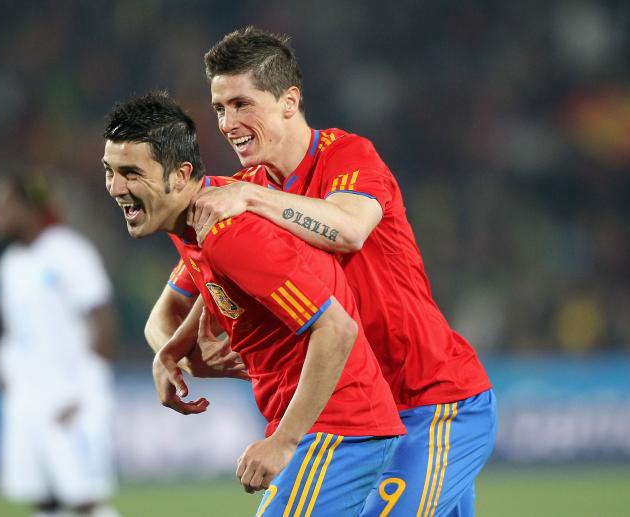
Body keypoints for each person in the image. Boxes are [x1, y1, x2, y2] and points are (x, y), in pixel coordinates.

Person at [160, 27, 497, 517]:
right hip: (358, 419)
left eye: (241, 104)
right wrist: (168, 350)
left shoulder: (346, 156)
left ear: (289, 101)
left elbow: (350, 229)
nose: (228, 123)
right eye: (219, 109)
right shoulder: (239, 194)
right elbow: (179, 300)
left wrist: (252, 197)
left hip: (433, 401)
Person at [103, 92, 405, 516]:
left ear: (179, 175)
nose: (116, 188)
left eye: (131, 173)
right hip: (334, 427)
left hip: (338, 428)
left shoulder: (229, 234)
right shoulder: (196, 218)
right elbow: (209, 294)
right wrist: (174, 347)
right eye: (110, 171)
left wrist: (284, 442)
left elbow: (337, 328)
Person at [0, 172, 119, 517]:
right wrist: (5, 367)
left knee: (83, 499)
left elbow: (102, 321)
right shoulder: (9, 266)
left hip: (69, 396)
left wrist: (86, 390)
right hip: (26, 397)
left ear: (28, 207)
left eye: (3, 207)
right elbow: (15, 330)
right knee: (42, 499)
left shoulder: (68, 251)